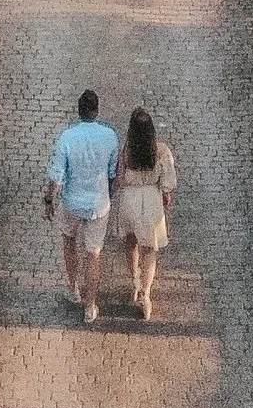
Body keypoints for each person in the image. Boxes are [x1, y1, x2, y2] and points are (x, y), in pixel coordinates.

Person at [44, 87, 121, 323]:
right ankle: (91, 305)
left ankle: (73, 287)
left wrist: (49, 199)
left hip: (72, 202)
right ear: (96, 111)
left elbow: (56, 175)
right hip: (98, 204)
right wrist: (109, 194)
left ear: (79, 111)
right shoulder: (110, 136)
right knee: (93, 254)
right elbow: (112, 172)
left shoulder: (67, 137)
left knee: (69, 240)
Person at [114, 107, 176, 320]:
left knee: (131, 243)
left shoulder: (127, 151)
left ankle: (134, 281)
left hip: (130, 200)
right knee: (150, 249)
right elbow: (168, 185)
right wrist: (166, 197)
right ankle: (146, 295)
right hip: (151, 201)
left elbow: (120, 179)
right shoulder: (162, 151)